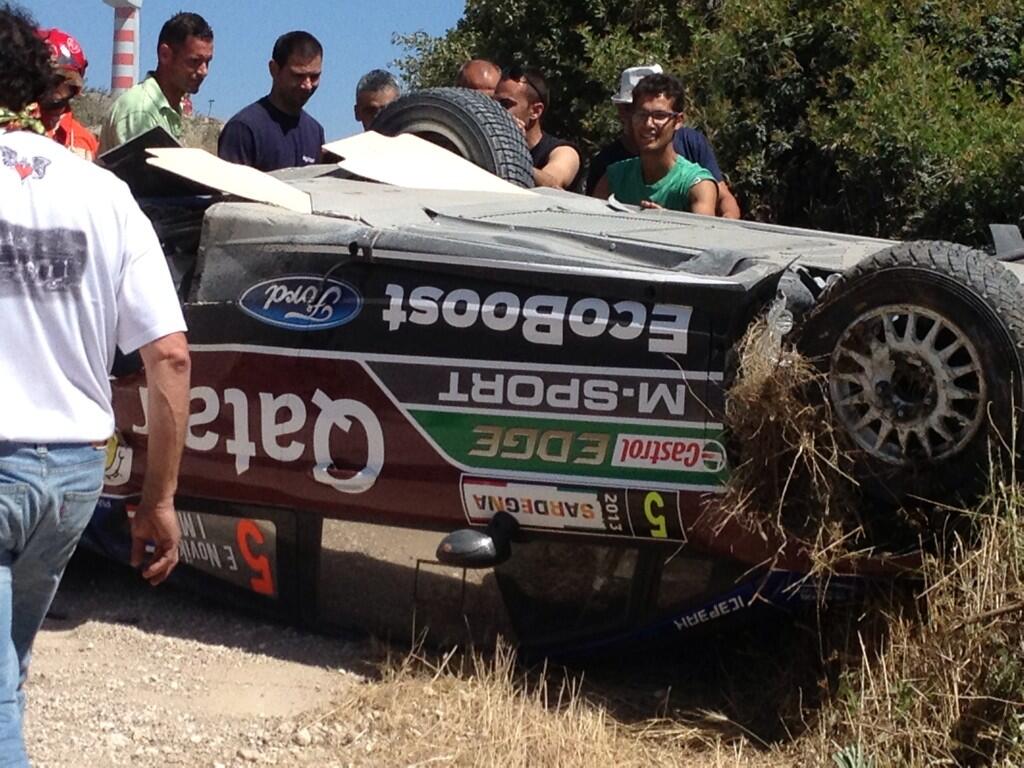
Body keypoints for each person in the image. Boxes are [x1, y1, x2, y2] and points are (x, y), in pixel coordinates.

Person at [0, 5, 190, 763]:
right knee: (9, 671)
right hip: (74, 475)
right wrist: (159, 498)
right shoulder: (105, 194)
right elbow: (170, 356)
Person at [586, 65, 741, 218]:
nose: (648, 124)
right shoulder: (613, 176)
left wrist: (667, 223)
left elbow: (704, 237)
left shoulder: (697, 184)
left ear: (678, 121)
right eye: (641, 114)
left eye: (659, 115)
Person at [99, 11, 214, 151]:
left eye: (207, 62)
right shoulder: (141, 111)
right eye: (194, 61)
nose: (204, 71)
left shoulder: (166, 108)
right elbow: (140, 172)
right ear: (165, 55)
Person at [218, 31, 325, 171]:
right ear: (274, 69)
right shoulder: (244, 129)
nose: (307, 85)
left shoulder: (315, 132)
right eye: (298, 76)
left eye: (314, 77)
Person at [493, 65, 580, 189]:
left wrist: (512, 153)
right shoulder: (491, 147)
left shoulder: (564, 152)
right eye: (493, 103)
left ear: (535, 111)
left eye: (505, 104)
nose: (497, 111)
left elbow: (552, 183)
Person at [35, 27, 99, 161]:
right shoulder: (12, 125)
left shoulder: (83, 139)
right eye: (53, 82)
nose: (57, 97)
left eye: (69, 86)